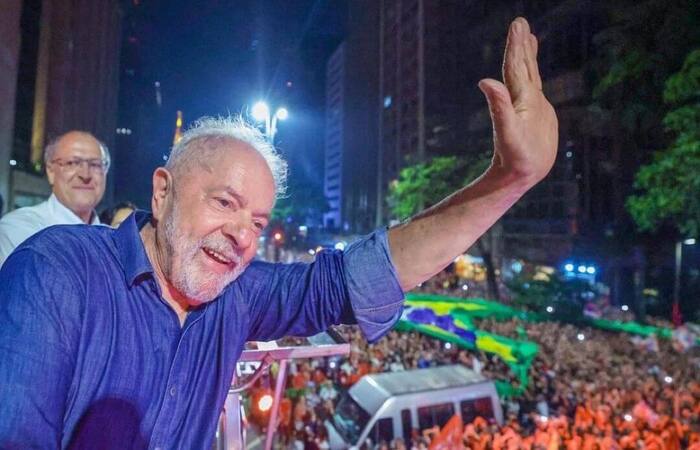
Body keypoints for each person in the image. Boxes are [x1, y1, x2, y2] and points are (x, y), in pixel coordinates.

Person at [0, 17, 557, 448]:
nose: (242, 235)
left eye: (258, 222)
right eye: (225, 202)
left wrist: (508, 180)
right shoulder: (56, 269)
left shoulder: (237, 295)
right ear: (162, 192)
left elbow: (362, 276)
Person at [0, 130, 109, 266]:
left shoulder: (113, 238)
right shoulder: (21, 228)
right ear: (50, 171)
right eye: (72, 163)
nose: (85, 175)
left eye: (95, 164)